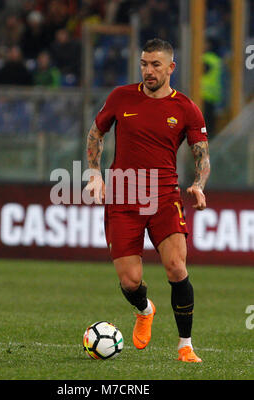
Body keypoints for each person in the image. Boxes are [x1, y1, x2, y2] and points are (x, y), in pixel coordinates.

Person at [86, 38, 210, 362]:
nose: (148, 70)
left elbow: (202, 156)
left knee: (176, 266)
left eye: (155, 65)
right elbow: (96, 133)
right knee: (130, 280)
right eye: (144, 63)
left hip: (164, 197)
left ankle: (185, 345)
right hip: (122, 197)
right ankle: (145, 309)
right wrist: (94, 173)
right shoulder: (120, 96)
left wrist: (198, 183)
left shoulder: (185, 108)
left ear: (171, 67)